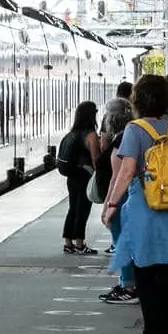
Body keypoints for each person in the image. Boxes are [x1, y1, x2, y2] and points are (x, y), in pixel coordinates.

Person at [100, 75, 168, 334]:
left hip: (147, 207)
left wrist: (112, 205)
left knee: (146, 269)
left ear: (138, 100)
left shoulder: (135, 129)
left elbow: (127, 171)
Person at [96, 90, 138, 304]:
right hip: (132, 198)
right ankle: (127, 282)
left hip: (121, 199)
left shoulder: (121, 140)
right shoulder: (132, 134)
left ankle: (128, 286)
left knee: (121, 242)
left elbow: (117, 177)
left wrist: (108, 206)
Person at [61, 101, 99, 255]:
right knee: (83, 210)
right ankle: (80, 244)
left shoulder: (71, 134)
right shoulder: (91, 135)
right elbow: (95, 159)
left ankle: (68, 243)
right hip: (85, 177)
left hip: (71, 177)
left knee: (72, 208)